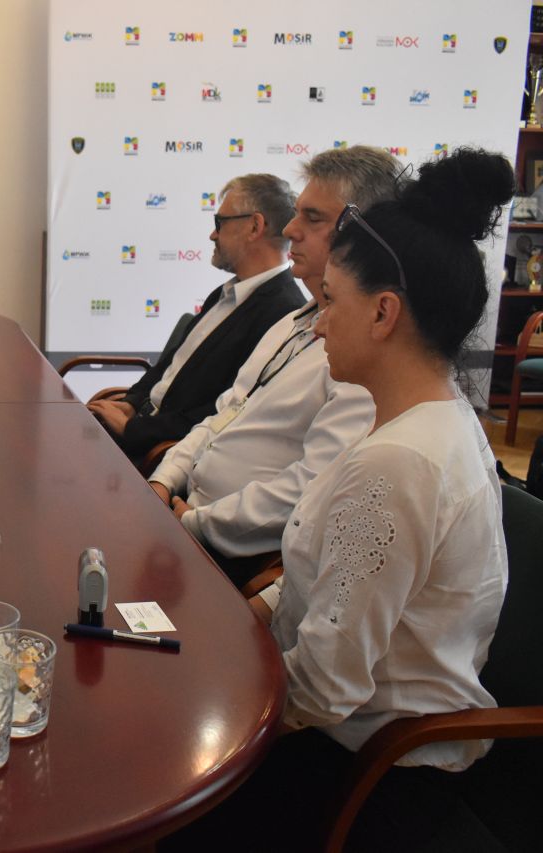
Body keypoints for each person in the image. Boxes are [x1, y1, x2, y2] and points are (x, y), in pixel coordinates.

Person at [174, 148, 514, 852]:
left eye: (331, 302)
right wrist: (239, 619)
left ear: (384, 312)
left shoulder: (398, 464)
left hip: (367, 771)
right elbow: (330, 575)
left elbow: (323, 689)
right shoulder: (432, 420)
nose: (320, 323)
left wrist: (204, 702)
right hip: (346, 731)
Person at [147, 147, 399, 585]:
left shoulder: (365, 356)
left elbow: (309, 488)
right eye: (296, 213)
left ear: (363, 233)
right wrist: (164, 479)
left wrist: (195, 521)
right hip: (188, 512)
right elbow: (224, 414)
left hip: (236, 555)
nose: (290, 230)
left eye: (313, 218)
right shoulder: (291, 322)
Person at [87, 173, 305, 462]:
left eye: (220, 222)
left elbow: (225, 411)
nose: (213, 235)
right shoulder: (226, 293)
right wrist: (130, 403)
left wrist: (134, 430)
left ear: (255, 226)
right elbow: (170, 366)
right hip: (142, 429)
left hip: (161, 453)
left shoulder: (283, 314)